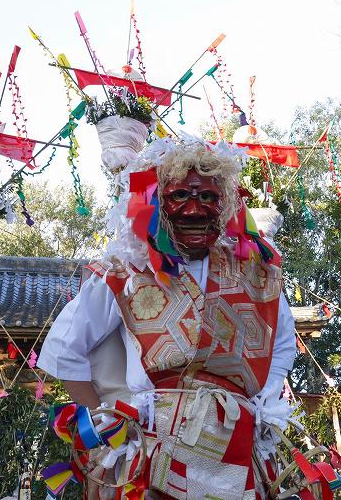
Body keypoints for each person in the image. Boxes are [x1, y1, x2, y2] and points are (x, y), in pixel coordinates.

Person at [38, 135, 297, 499]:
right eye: (180, 196)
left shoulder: (257, 273)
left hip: (237, 442)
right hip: (151, 442)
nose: (194, 210)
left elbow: (282, 341)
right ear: (156, 201)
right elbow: (65, 350)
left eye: (206, 196)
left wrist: (262, 403)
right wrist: (109, 422)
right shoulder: (124, 271)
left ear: (223, 203)